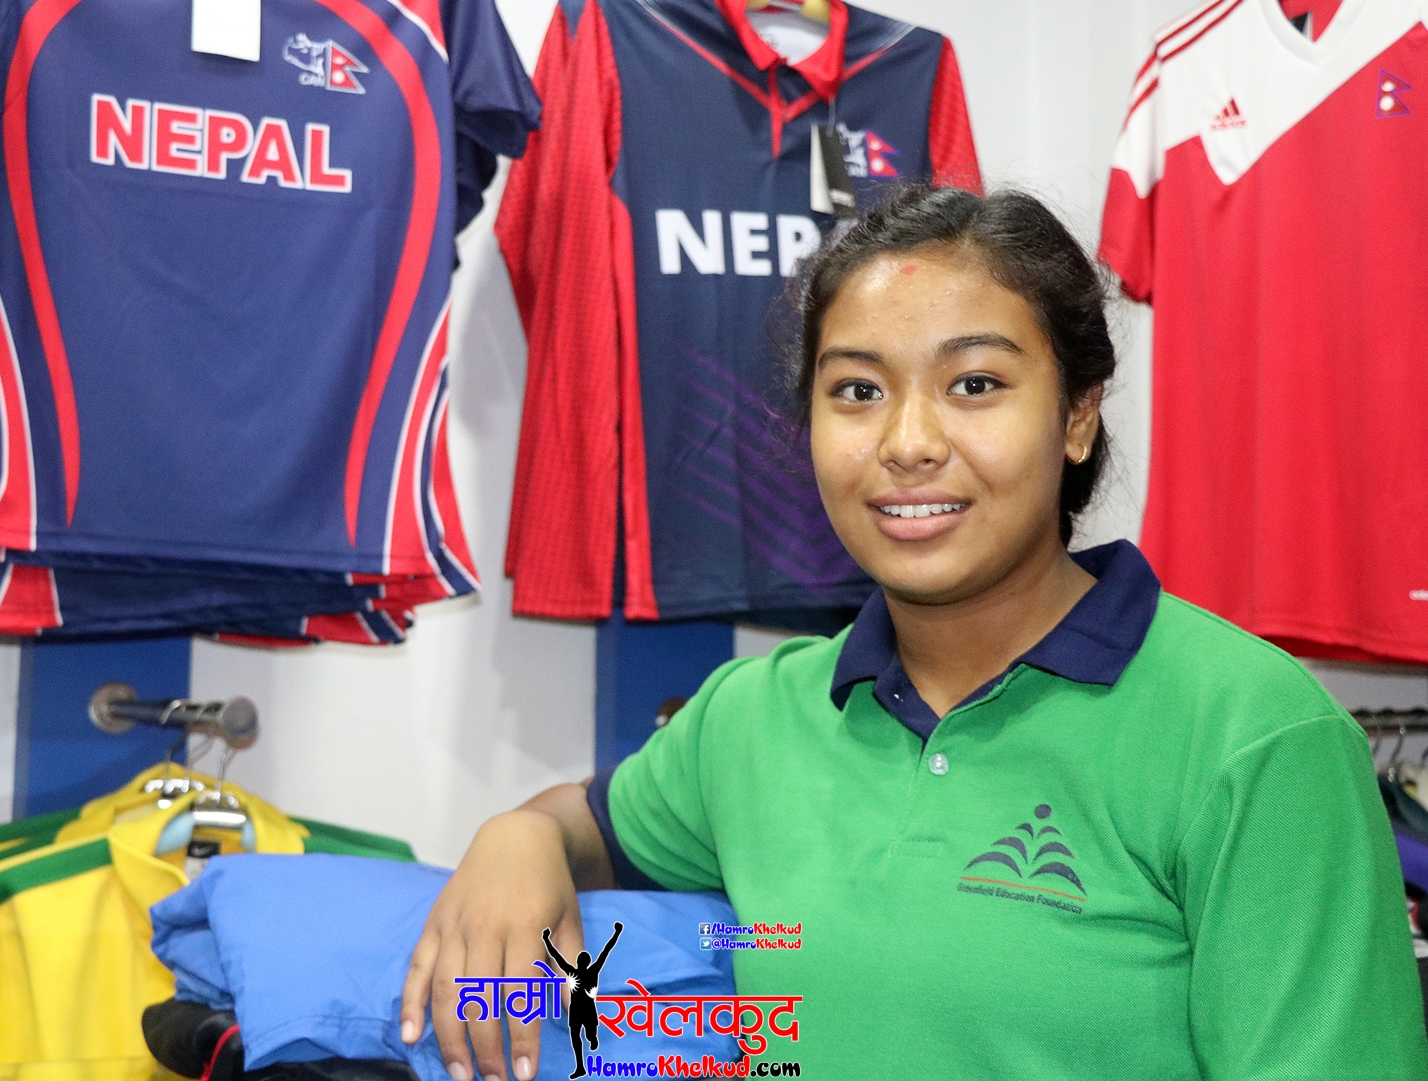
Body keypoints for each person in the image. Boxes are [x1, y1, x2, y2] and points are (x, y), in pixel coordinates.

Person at [400, 185, 1428, 1080]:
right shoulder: (755, 715)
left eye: (974, 384)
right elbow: (591, 820)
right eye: (857, 391)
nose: (907, 442)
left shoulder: (1254, 735)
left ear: (1077, 415)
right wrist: (518, 837)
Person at [541, 921, 623, 1078]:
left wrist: (616, 933)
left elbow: (606, 951)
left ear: (584, 962)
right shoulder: (575, 972)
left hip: (586, 1007)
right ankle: (580, 1066)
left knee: (590, 1034)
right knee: (576, 1035)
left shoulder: (590, 971)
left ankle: (592, 1039)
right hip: (577, 1008)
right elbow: (557, 956)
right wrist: (546, 940)